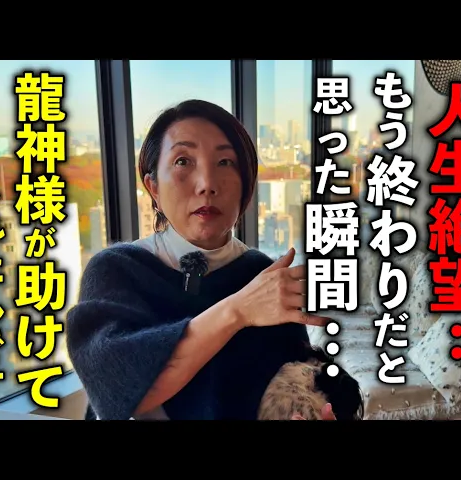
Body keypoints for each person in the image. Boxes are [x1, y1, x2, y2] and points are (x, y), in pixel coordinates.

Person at [66, 99, 334, 420]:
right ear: (153, 187)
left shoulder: (262, 274)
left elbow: (293, 387)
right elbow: (121, 392)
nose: (207, 184)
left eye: (225, 162)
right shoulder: (116, 269)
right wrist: (238, 310)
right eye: (183, 161)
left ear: (246, 186)